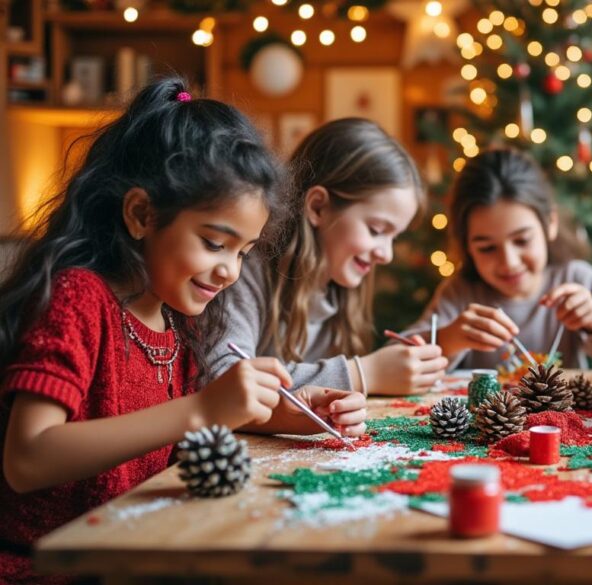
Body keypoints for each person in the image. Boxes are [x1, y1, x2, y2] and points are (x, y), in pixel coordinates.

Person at [0, 78, 366, 585]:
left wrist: (294, 413)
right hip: (51, 567)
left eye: (244, 253)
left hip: (139, 553)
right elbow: (27, 458)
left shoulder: (179, 320)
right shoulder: (78, 298)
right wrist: (201, 410)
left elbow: (193, 420)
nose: (231, 271)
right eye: (215, 243)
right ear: (141, 214)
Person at [210, 118, 447, 395]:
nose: (386, 255)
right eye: (376, 230)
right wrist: (364, 373)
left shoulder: (339, 288)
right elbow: (226, 380)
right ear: (318, 207)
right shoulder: (244, 270)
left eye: (394, 237)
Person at [403, 148, 592, 370]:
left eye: (522, 241)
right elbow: (399, 354)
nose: (509, 262)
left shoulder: (576, 279)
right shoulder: (460, 294)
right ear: (467, 246)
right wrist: (446, 341)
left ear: (550, 224)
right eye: (487, 248)